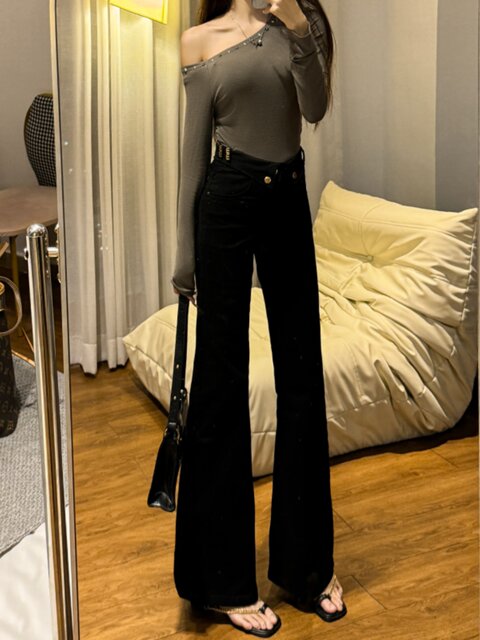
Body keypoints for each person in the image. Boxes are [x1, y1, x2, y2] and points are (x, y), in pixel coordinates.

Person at [171, 0, 346, 636]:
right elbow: (192, 154)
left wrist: (299, 31)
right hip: (226, 202)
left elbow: (315, 108)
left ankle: (307, 567)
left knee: (302, 376)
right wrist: (184, 255)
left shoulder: (300, 25)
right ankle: (220, 582)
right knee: (220, 382)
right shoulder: (200, 39)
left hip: (288, 198)